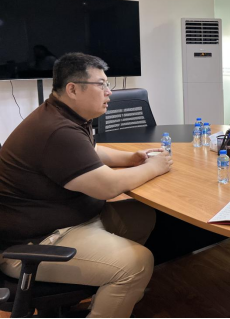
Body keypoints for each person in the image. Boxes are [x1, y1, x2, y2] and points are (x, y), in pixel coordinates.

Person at [0, 53, 173, 318]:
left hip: (70, 220)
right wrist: (153, 167)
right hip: (35, 243)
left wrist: (131, 158)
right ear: (72, 89)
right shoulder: (56, 130)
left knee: (142, 217)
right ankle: (119, 282)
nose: (109, 92)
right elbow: (107, 187)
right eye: (101, 84)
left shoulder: (65, 115)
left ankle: (106, 291)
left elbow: (90, 151)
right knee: (136, 264)